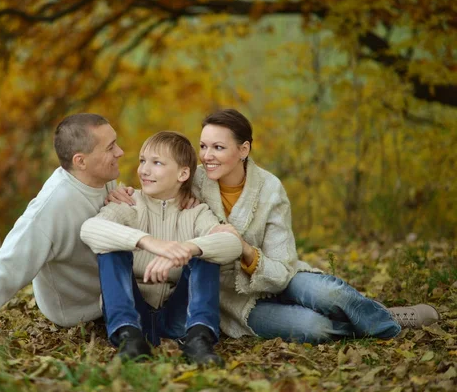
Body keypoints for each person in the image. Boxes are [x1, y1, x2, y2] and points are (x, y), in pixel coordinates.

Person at [109, 109, 439, 343]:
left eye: (219, 147)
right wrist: (122, 192)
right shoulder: (191, 181)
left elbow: (281, 268)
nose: (207, 156)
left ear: (244, 150)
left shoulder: (269, 189)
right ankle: (378, 318)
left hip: (277, 276)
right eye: (204, 146)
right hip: (230, 297)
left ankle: (388, 320)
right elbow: (155, 188)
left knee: (332, 292)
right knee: (316, 329)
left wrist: (247, 251)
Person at [0, 113, 124, 339]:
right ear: (80, 161)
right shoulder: (52, 207)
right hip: (80, 312)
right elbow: (7, 265)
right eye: (110, 147)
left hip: (113, 287)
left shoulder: (102, 177)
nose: (120, 152)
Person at [80, 131, 243, 365]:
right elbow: (89, 229)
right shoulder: (129, 203)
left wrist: (188, 248)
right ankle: (130, 340)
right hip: (135, 314)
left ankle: (199, 340)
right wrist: (148, 242)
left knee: (207, 251)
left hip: (180, 317)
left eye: (156, 163)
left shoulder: (196, 212)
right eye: (142, 161)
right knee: (111, 246)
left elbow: (232, 243)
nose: (144, 170)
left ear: (183, 173)